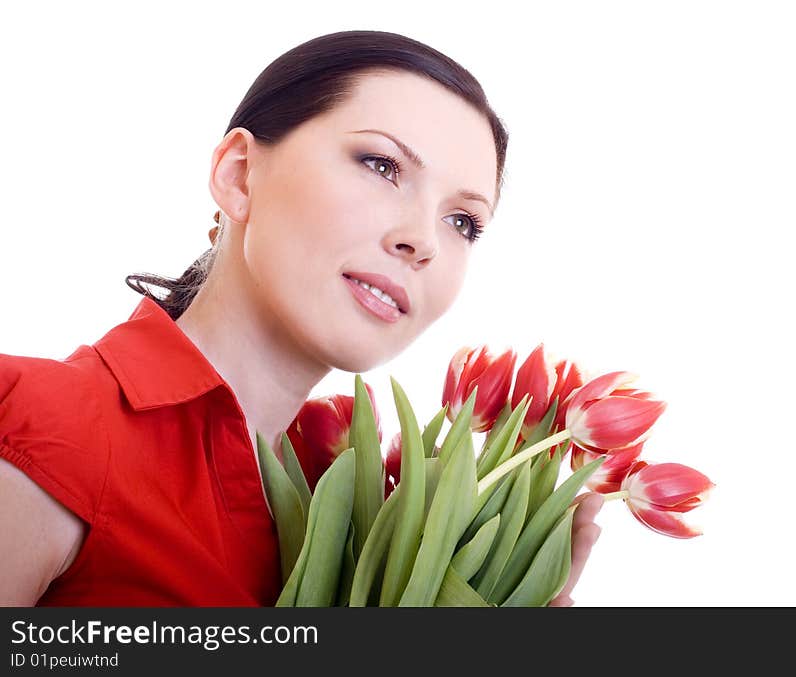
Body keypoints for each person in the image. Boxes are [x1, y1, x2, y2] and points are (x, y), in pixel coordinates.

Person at [0, 30, 602, 607]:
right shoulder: (45, 427)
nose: (423, 241)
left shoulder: (378, 517)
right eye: (382, 165)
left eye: (463, 221)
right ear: (239, 174)